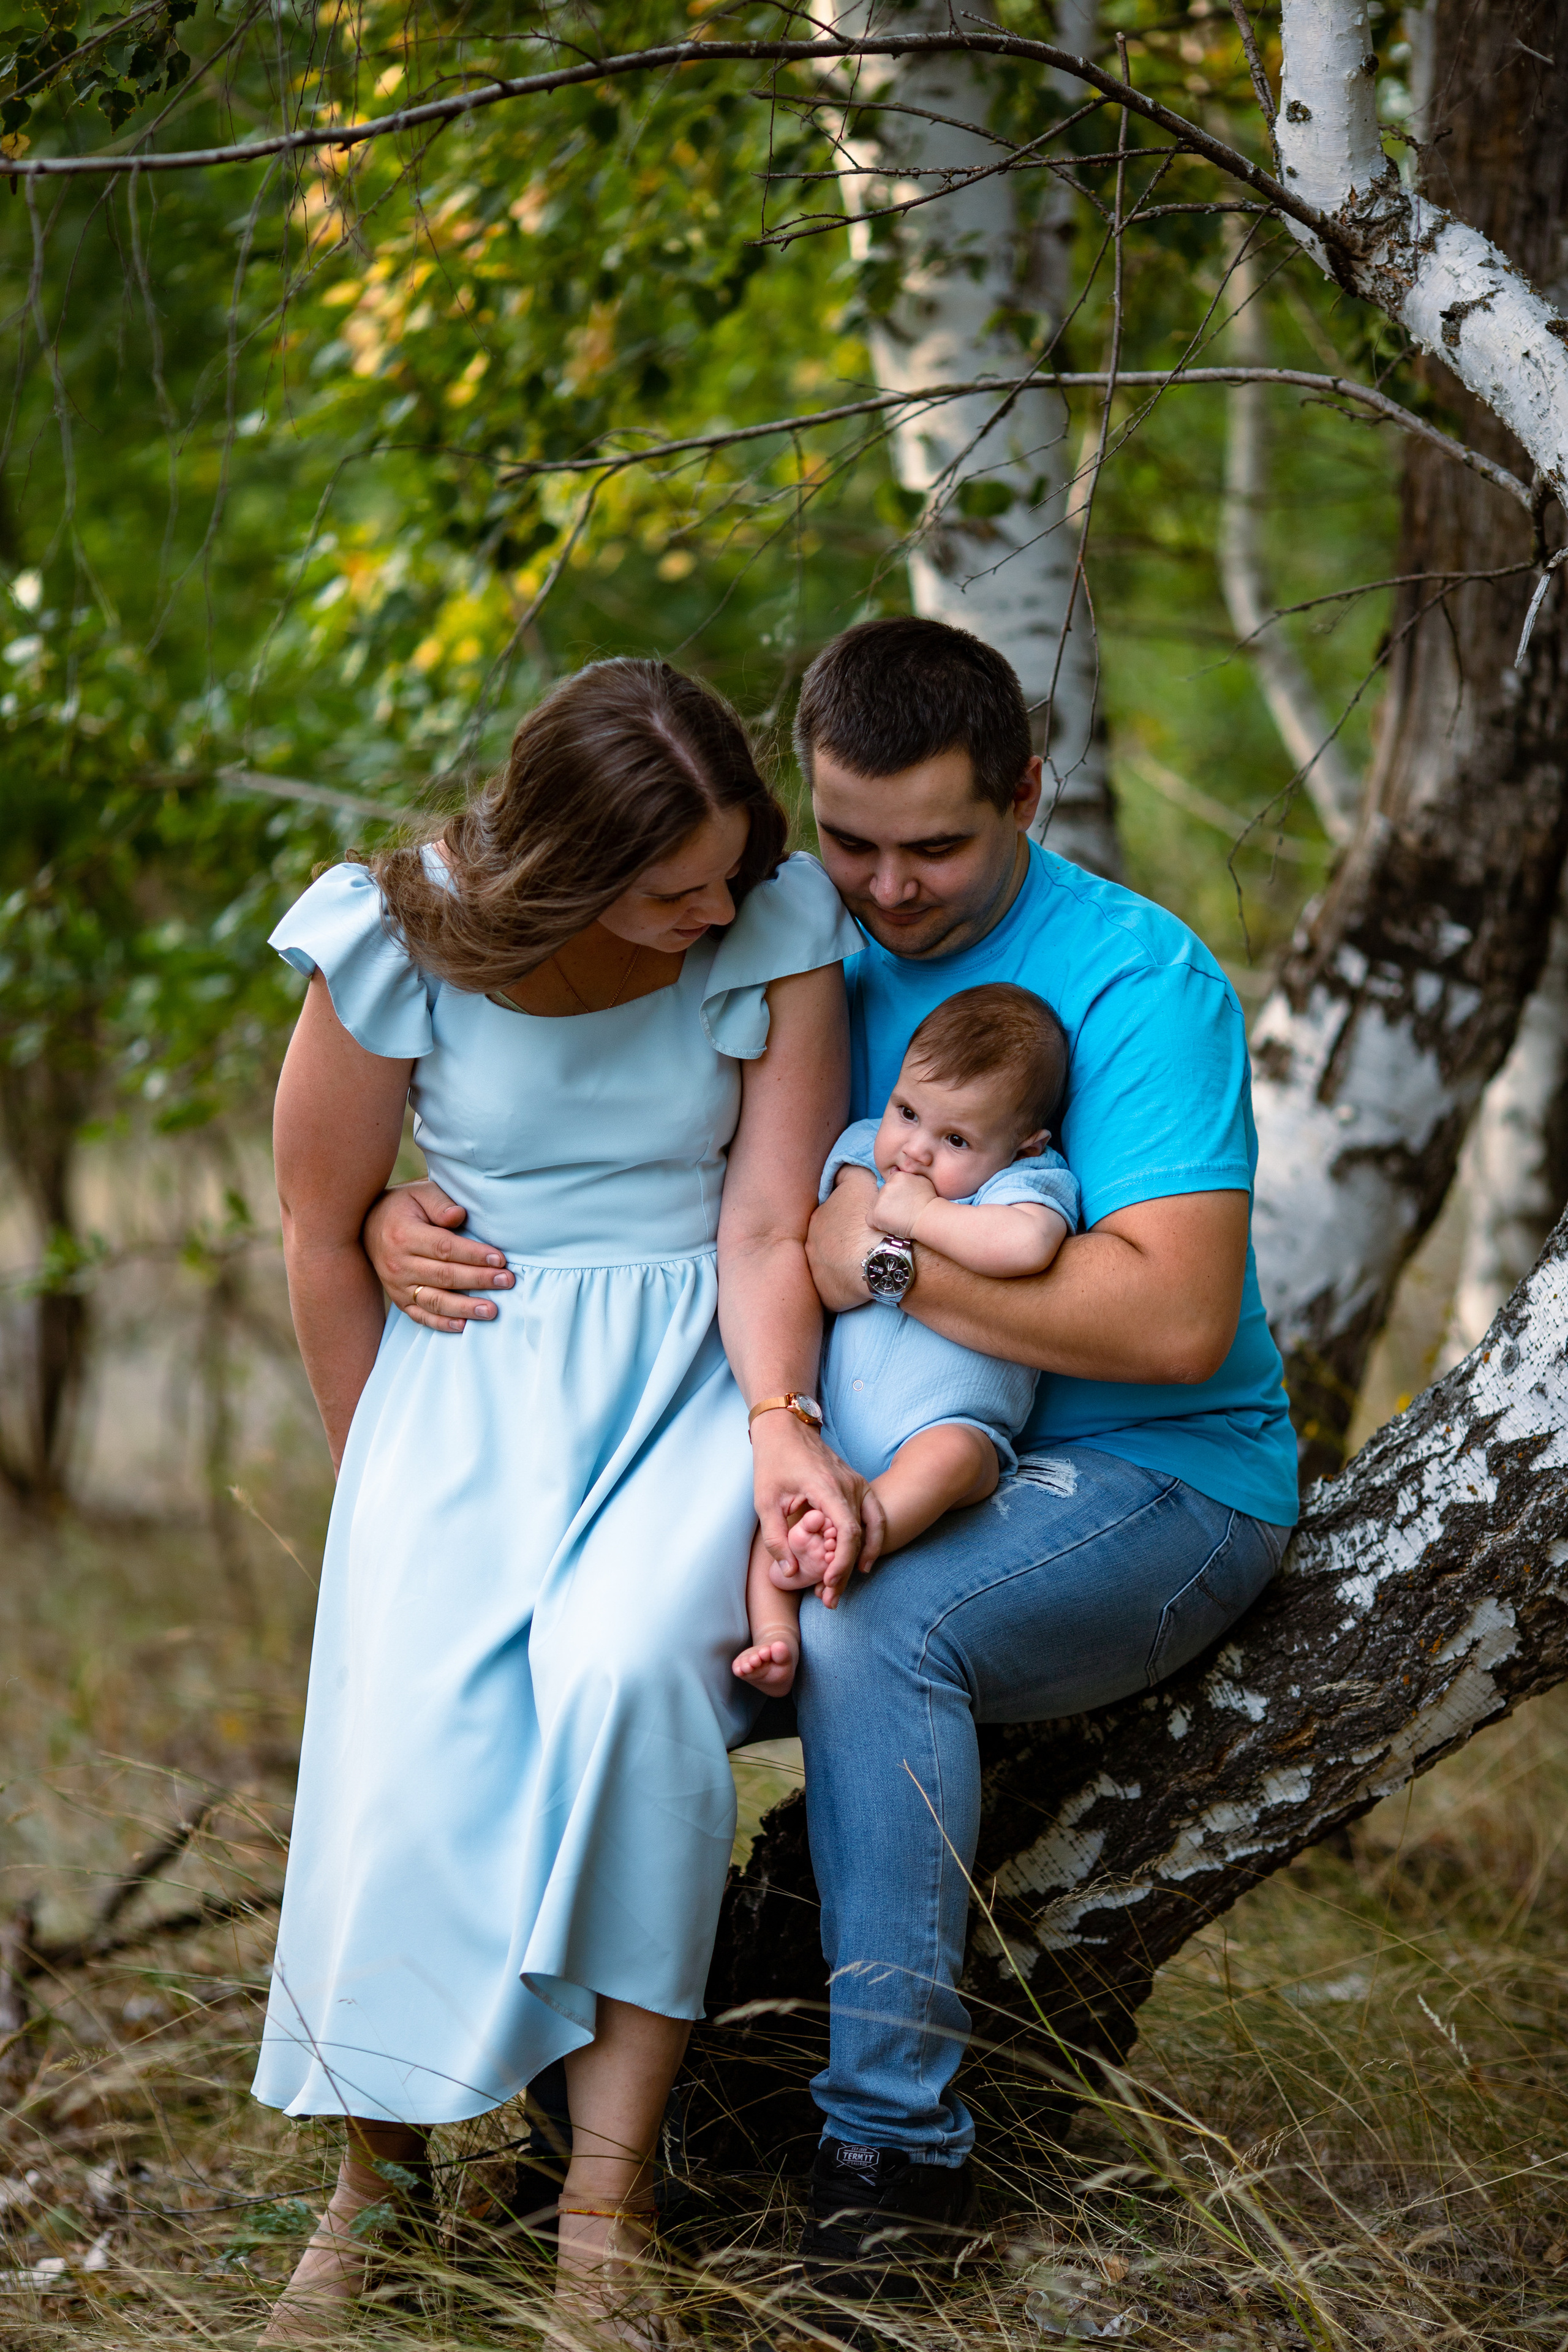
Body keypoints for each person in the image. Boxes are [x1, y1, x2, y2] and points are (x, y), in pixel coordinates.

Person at [364, 617, 1300, 2302]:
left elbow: (1168, 1323)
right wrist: (382, 1211)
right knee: (597, 1647)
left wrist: (864, 1246)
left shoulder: (1134, 979)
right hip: (813, 1465)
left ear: (1025, 791)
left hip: (1149, 1487)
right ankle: (567, 2142)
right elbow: (644, 1177)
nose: (890, 886)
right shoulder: (784, 940)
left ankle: (889, 2155)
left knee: (885, 1621)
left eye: (938, 844)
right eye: (852, 838)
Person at [252, 657, 869, 2344]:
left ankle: (607, 2204)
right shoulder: (398, 936)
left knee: (618, 1683)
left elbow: (762, 1226)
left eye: (727, 870)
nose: (706, 909)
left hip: (686, 1374)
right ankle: (373, 2186)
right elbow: (324, 1225)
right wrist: (373, 1467)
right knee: (413, 1732)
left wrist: (774, 1423)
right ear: (562, 863)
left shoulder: (778, 926)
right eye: (668, 886)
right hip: (460, 1388)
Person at [731, 982, 1080, 1697]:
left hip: (952, 1426)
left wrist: (919, 1217)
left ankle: (869, 1526)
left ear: (1025, 1143)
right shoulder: (866, 1150)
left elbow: (1024, 1247)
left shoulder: (1024, 1185)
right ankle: (774, 1633)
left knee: (948, 1460)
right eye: (908, 1112)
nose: (916, 1151)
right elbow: (832, 1266)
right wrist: (900, 1194)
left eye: (955, 1139)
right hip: (833, 1424)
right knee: (765, 1500)